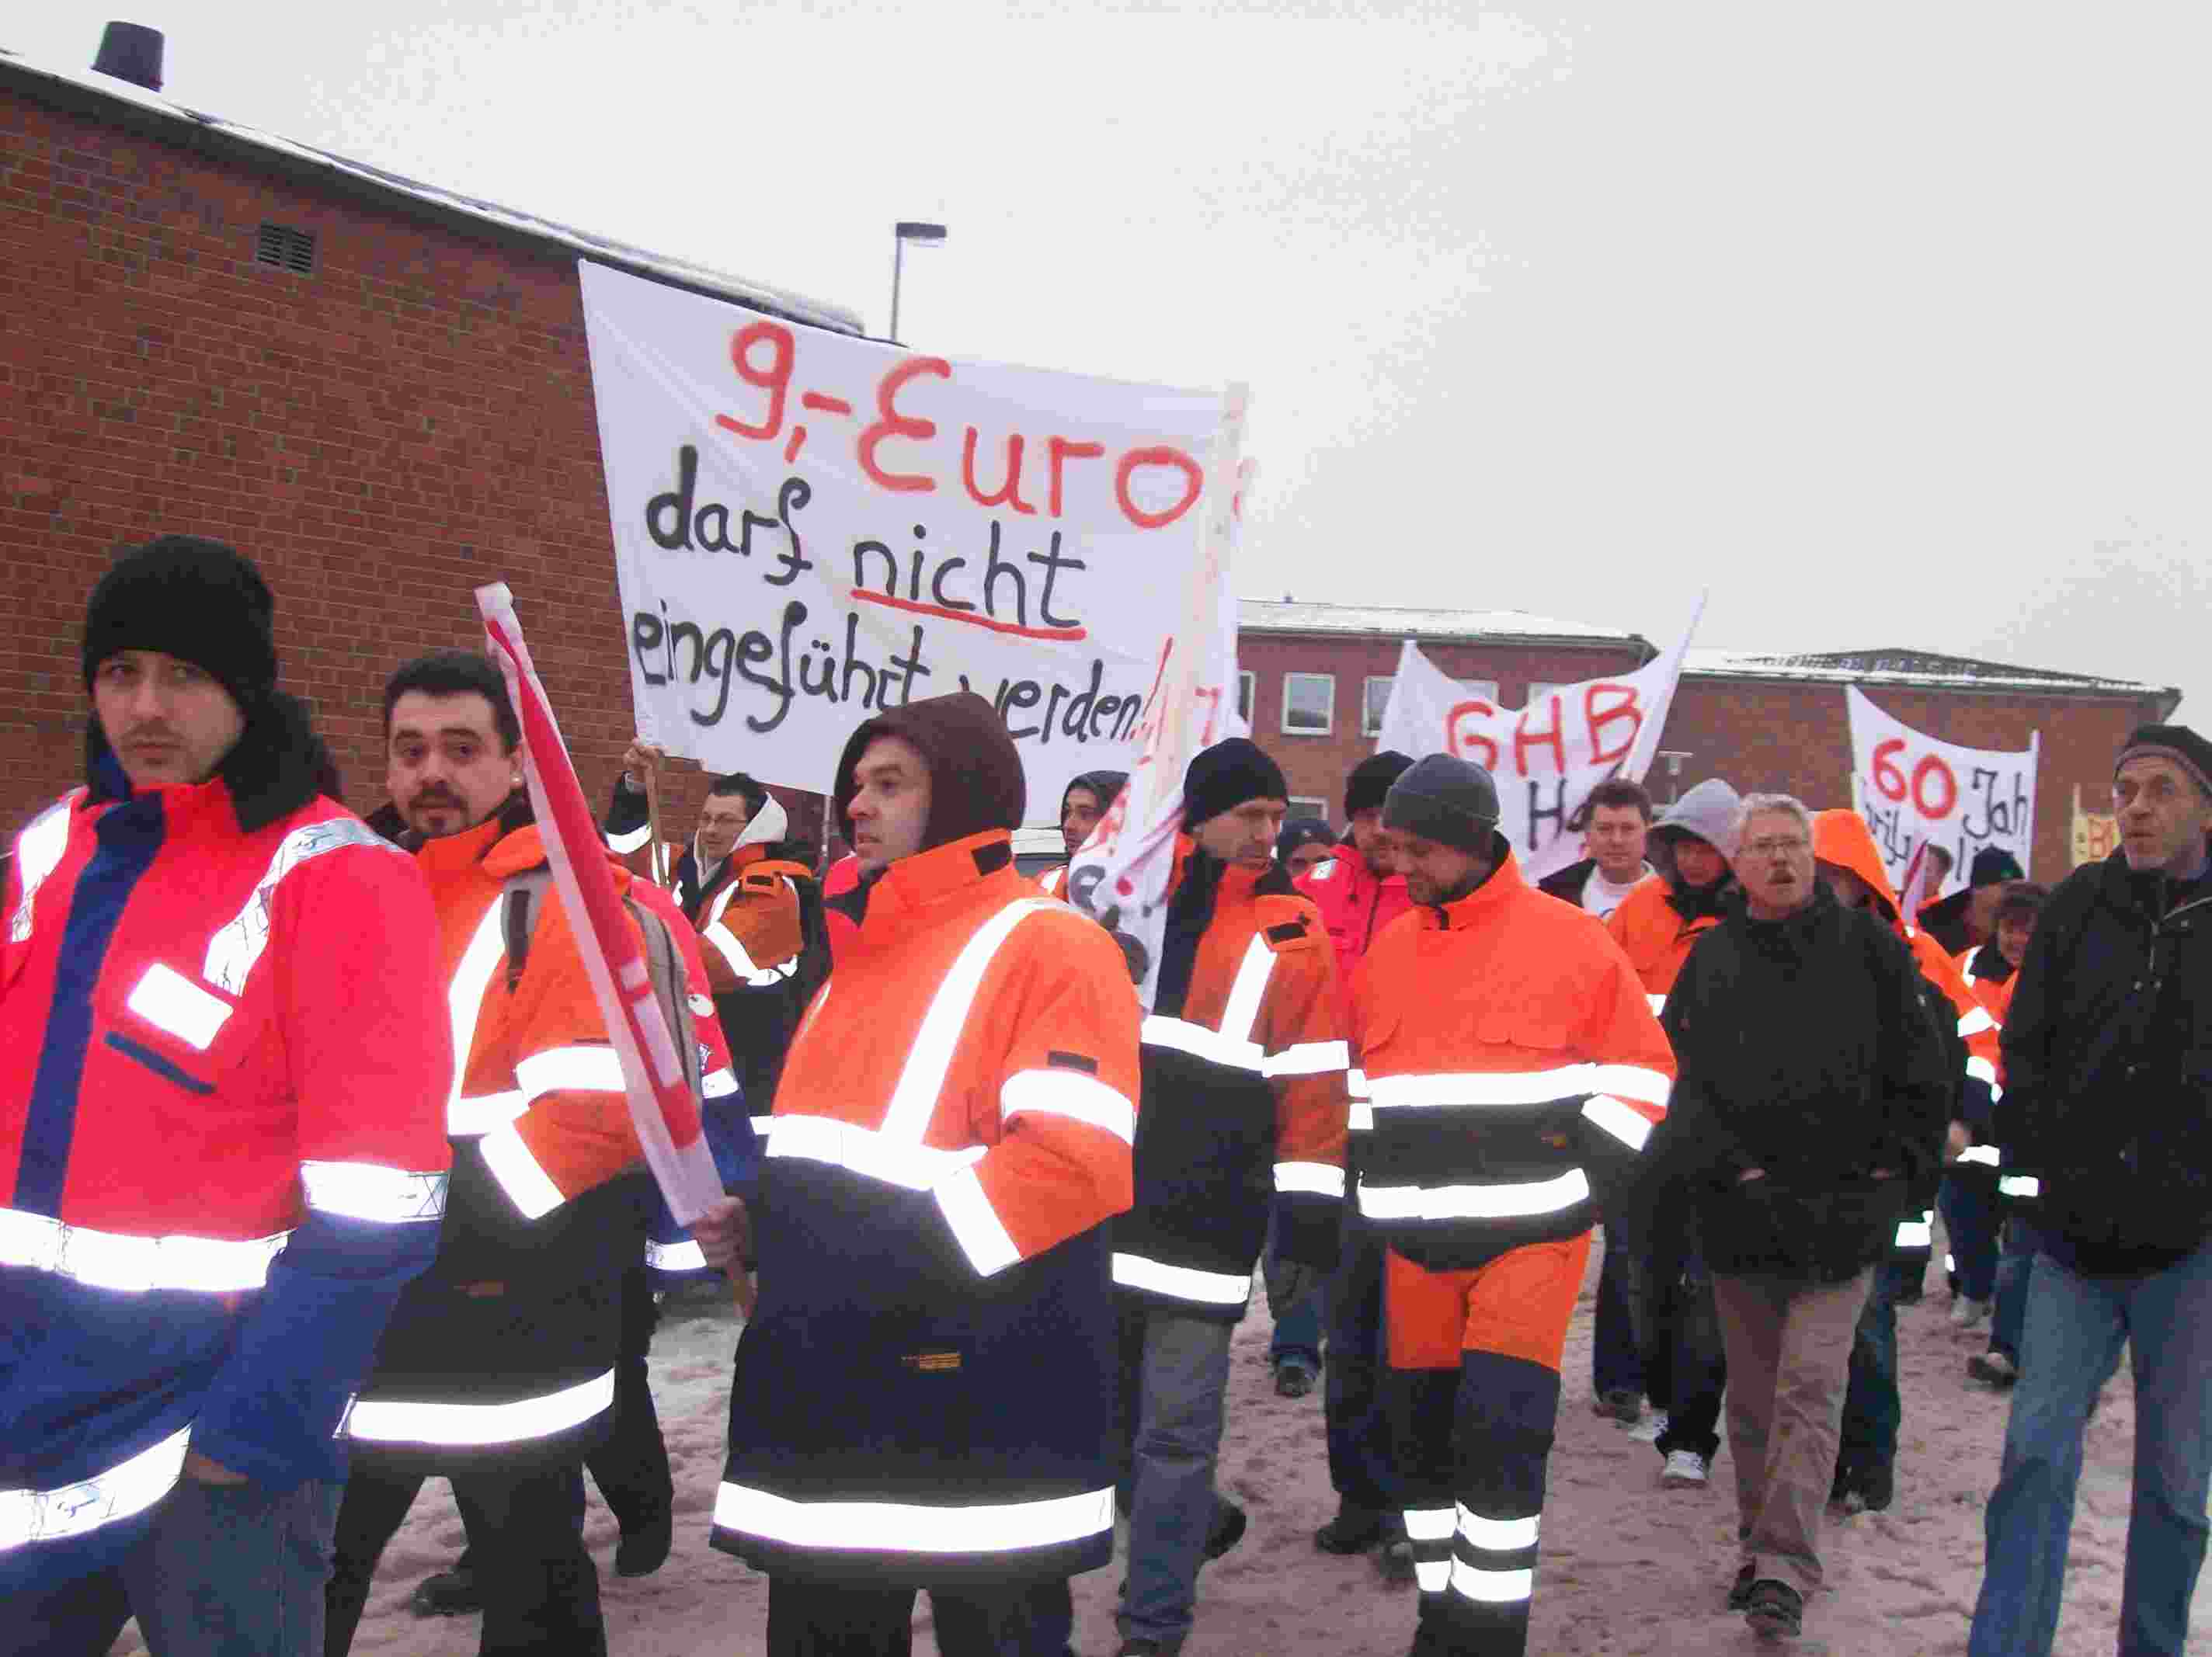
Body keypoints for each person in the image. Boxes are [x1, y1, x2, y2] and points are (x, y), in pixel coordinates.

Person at [1, 537, 452, 1655]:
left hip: (213, 1439)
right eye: (120, 672)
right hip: (28, 1407)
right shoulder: (52, 847)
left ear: (246, 690)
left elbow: (382, 1203)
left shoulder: (338, 875)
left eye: (185, 675)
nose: (146, 707)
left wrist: (256, 1427)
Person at [697, 690, 1141, 1657]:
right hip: (834, 1381)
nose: (858, 803)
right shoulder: (860, 955)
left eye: (890, 783)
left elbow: (1070, 1162)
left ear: (962, 796)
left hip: (973, 1389)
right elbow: (841, 1151)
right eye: (857, 783)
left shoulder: (1051, 942)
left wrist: (862, 1272)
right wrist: (764, 1223)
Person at [324, 649, 658, 1657]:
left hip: (502, 1313)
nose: (432, 771)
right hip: (350, 1309)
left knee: (534, 1588)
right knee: (300, 1574)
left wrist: (426, 1226)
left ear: (515, 765)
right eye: (411, 749)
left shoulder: (560, 903)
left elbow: (594, 1116)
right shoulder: (346, 896)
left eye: (462, 749)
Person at [1353, 754, 1674, 1657]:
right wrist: (1366, 1191)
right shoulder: (1390, 949)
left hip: (1529, 1243)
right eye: (1394, 847)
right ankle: (1440, 1619)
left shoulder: (1570, 940)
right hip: (1413, 1246)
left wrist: (1585, 1184)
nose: (1401, 865)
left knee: (1500, 1441)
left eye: (1418, 849)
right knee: (1420, 1451)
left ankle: (1488, 1637)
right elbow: (1361, 1088)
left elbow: (1644, 1073)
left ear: (1469, 841)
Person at [1648, 793, 1950, 1642]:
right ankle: (1758, 1548)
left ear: (1814, 859)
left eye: (1794, 845)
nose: (1780, 859)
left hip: (1844, 1215)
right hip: (1740, 1212)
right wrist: (1729, 1166)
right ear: (1737, 863)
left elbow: (1921, 1070)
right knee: (1752, 1400)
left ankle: (1784, 1566)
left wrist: (1894, 1171)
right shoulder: (1713, 961)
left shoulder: (1871, 951)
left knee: (1810, 1387)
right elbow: (1682, 1082)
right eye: (1763, 847)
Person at [1967, 724, 2212, 1657]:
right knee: (2033, 1457)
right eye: (2124, 791)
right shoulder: (2076, 905)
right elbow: (2024, 1051)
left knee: (2175, 1487)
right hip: (2071, 1243)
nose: (2136, 809)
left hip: (2191, 1252)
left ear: (2204, 808)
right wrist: (2036, 1187)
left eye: (2160, 790)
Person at [1112, 739, 1349, 1657]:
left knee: (1174, 1434)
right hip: (1100, 1206)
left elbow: (1313, 1078)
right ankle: (1193, 1522)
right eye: (1248, 814)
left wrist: (1308, 1216)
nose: (1266, 832)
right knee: (1099, 1425)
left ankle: (1152, 1623)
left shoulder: (1293, 926)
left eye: (1275, 815)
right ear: (1198, 817)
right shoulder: (1120, 902)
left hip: (1209, 1218)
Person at [1810, 807, 1998, 1515]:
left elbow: (1977, 1042)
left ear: (1862, 881)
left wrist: (1962, 1119)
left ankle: (1865, 1467)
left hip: (1881, 1169)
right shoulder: (1770, 946)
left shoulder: (1918, 955)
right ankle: (1808, 1467)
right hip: (1793, 1175)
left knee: (1867, 1325)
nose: (1815, 884)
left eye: (1831, 873)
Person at [1294, 748, 1416, 1578]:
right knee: (1349, 1334)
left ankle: (1411, 1504)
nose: (1379, 833)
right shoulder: (1310, 893)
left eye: (1391, 819)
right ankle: (1359, 1499)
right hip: (1330, 1146)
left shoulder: (1435, 896)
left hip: (1414, 1144)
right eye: (1368, 817)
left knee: (1413, 1334)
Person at [1604, 777, 1743, 1485]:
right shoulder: (1638, 908)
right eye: (1682, 845)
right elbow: (1601, 991)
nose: (1691, 859)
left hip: (1719, 1126)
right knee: (1646, 1276)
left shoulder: (1751, 920)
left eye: (1706, 846)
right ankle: (1661, 1402)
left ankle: (1693, 1432)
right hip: (1646, 1123)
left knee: (1706, 1288)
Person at [605, 752, 826, 1119]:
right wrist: (636, 788)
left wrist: (630, 946)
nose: (710, 830)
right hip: (697, 1065)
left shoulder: (773, 892)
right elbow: (625, 857)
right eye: (706, 818)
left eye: (725, 821)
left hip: (750, 1077)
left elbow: (705, 965)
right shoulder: (687, 870)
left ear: (757, 828)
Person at [1265, 814, 1346, 1396]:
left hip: (1350, 1099)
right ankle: (1293, 1342)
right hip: (1279, 1101)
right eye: (1298, 863)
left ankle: (1320, 1340)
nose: (1310, 873)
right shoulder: (1271, 924)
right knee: (1287, 1230)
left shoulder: (1346, 916)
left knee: (1333, 1232)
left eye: (1321, 861)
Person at [1962, 882, 2048, 1390]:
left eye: (2029, 930)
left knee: (2029, 1243)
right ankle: (2004, 1343)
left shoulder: (2067, 977)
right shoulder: (1986, 974)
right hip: (2006, 1127)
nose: (2019, 939)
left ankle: (2015, 1347)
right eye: (2011, 928)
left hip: (2051, 1138)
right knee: (2008, 1236)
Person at [1536, 776, 1654, 919]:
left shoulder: (1677, 896)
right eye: (1605, 829)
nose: (1616, 840)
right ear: (1587, 834)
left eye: (1628, 829)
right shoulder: (1553, 895)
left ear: (1648, 832)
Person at [1919, 846, 2026, 957]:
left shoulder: (2018, 936)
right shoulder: (1928, 929)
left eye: (2018, 889)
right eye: (2005, 887)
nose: (2015, 895)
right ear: (1979, 888)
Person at [1039, 768, 1129, 897]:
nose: (1068, 825)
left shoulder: (1153, 890)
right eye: (1067, 812)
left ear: (1121, 820)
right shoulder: (1046, 884)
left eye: (1086, 814)